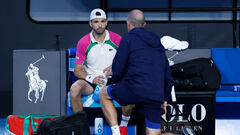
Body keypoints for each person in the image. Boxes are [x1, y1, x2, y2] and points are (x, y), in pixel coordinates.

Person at [99, 9, 174, 135]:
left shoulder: (127, 39)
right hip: (156, 94)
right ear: (144, 25)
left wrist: (117, 86)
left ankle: (117, 132)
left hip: (135, 88)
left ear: (128, 23)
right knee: (154, 133)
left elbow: (117, 70)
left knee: (103, 94)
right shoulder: (157, 42)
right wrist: (164, 98)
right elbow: (168, 76)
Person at [70, 8, 132, 134]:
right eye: (96, 21)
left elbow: (129, 62)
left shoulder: (117, 39)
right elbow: (77, 71)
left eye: (102, 21)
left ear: (107, 22)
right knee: (74, 88)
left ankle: (123, 126)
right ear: (90, 23)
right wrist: (92, 78)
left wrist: (115, 68)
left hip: (114, 80)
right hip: (92, 83)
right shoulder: (83, 42)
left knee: (131, 88)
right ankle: (81, 128)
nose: (99, 25)